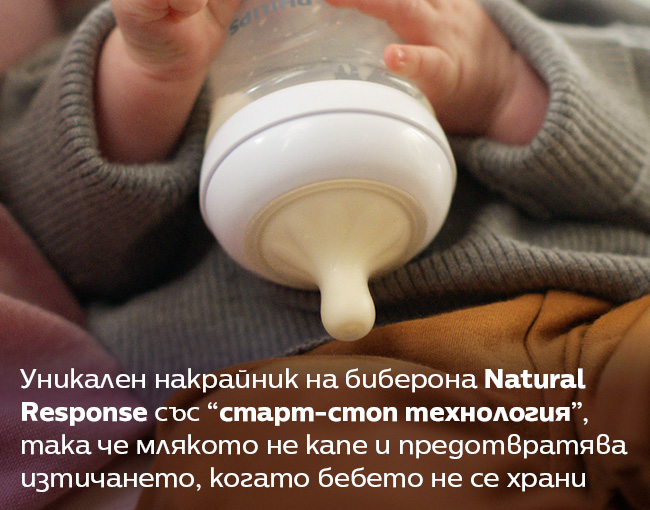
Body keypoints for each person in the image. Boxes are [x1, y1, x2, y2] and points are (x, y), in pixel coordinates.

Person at [1, 1, 650, 506]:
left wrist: (505, 79)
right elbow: (56, 248)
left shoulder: (516, 14)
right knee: (242, 468)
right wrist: (147, 74)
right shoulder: (107, 41)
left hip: (593, 313)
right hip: (313, 392)